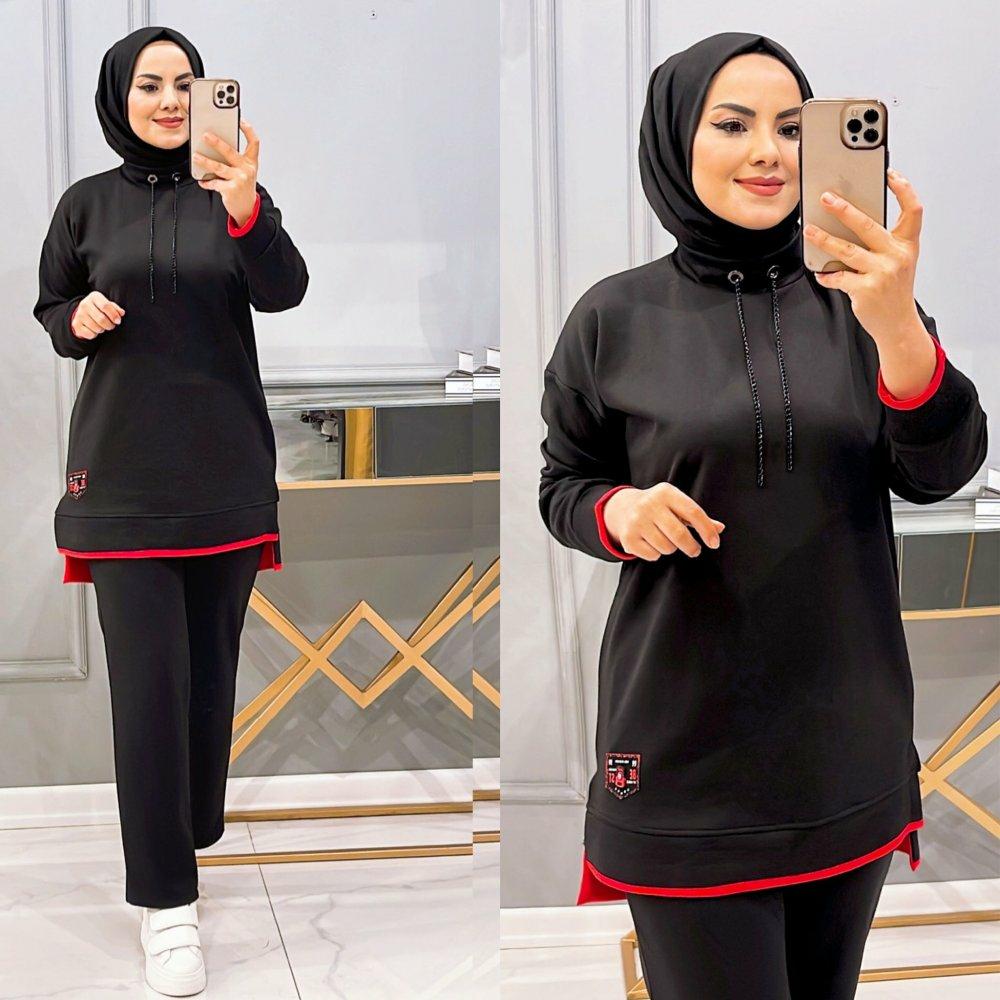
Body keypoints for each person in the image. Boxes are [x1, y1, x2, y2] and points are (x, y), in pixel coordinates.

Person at [537, 31, 987, 1000]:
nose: (768, 152)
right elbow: (563, 483)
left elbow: (940, 470)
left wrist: (898, 327)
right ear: (676, 140)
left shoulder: (865, 302)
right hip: (683, 749)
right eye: (733, 124)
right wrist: (618, 512)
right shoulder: (612, 318)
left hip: (844, 743)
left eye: (791, 127)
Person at [33, 25, 308, 997]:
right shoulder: (85, 204)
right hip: (120, 484)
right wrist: (77, 318)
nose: (170, 99)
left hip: (224, 478)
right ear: (121, 96)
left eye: (185, 82)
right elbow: (53, 311)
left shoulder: (233, 195)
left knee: (205, 688)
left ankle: (183, 837)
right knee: (148, 693)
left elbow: (284, 291)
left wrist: (245, 207)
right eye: (150, 84)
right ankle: (166, 902)